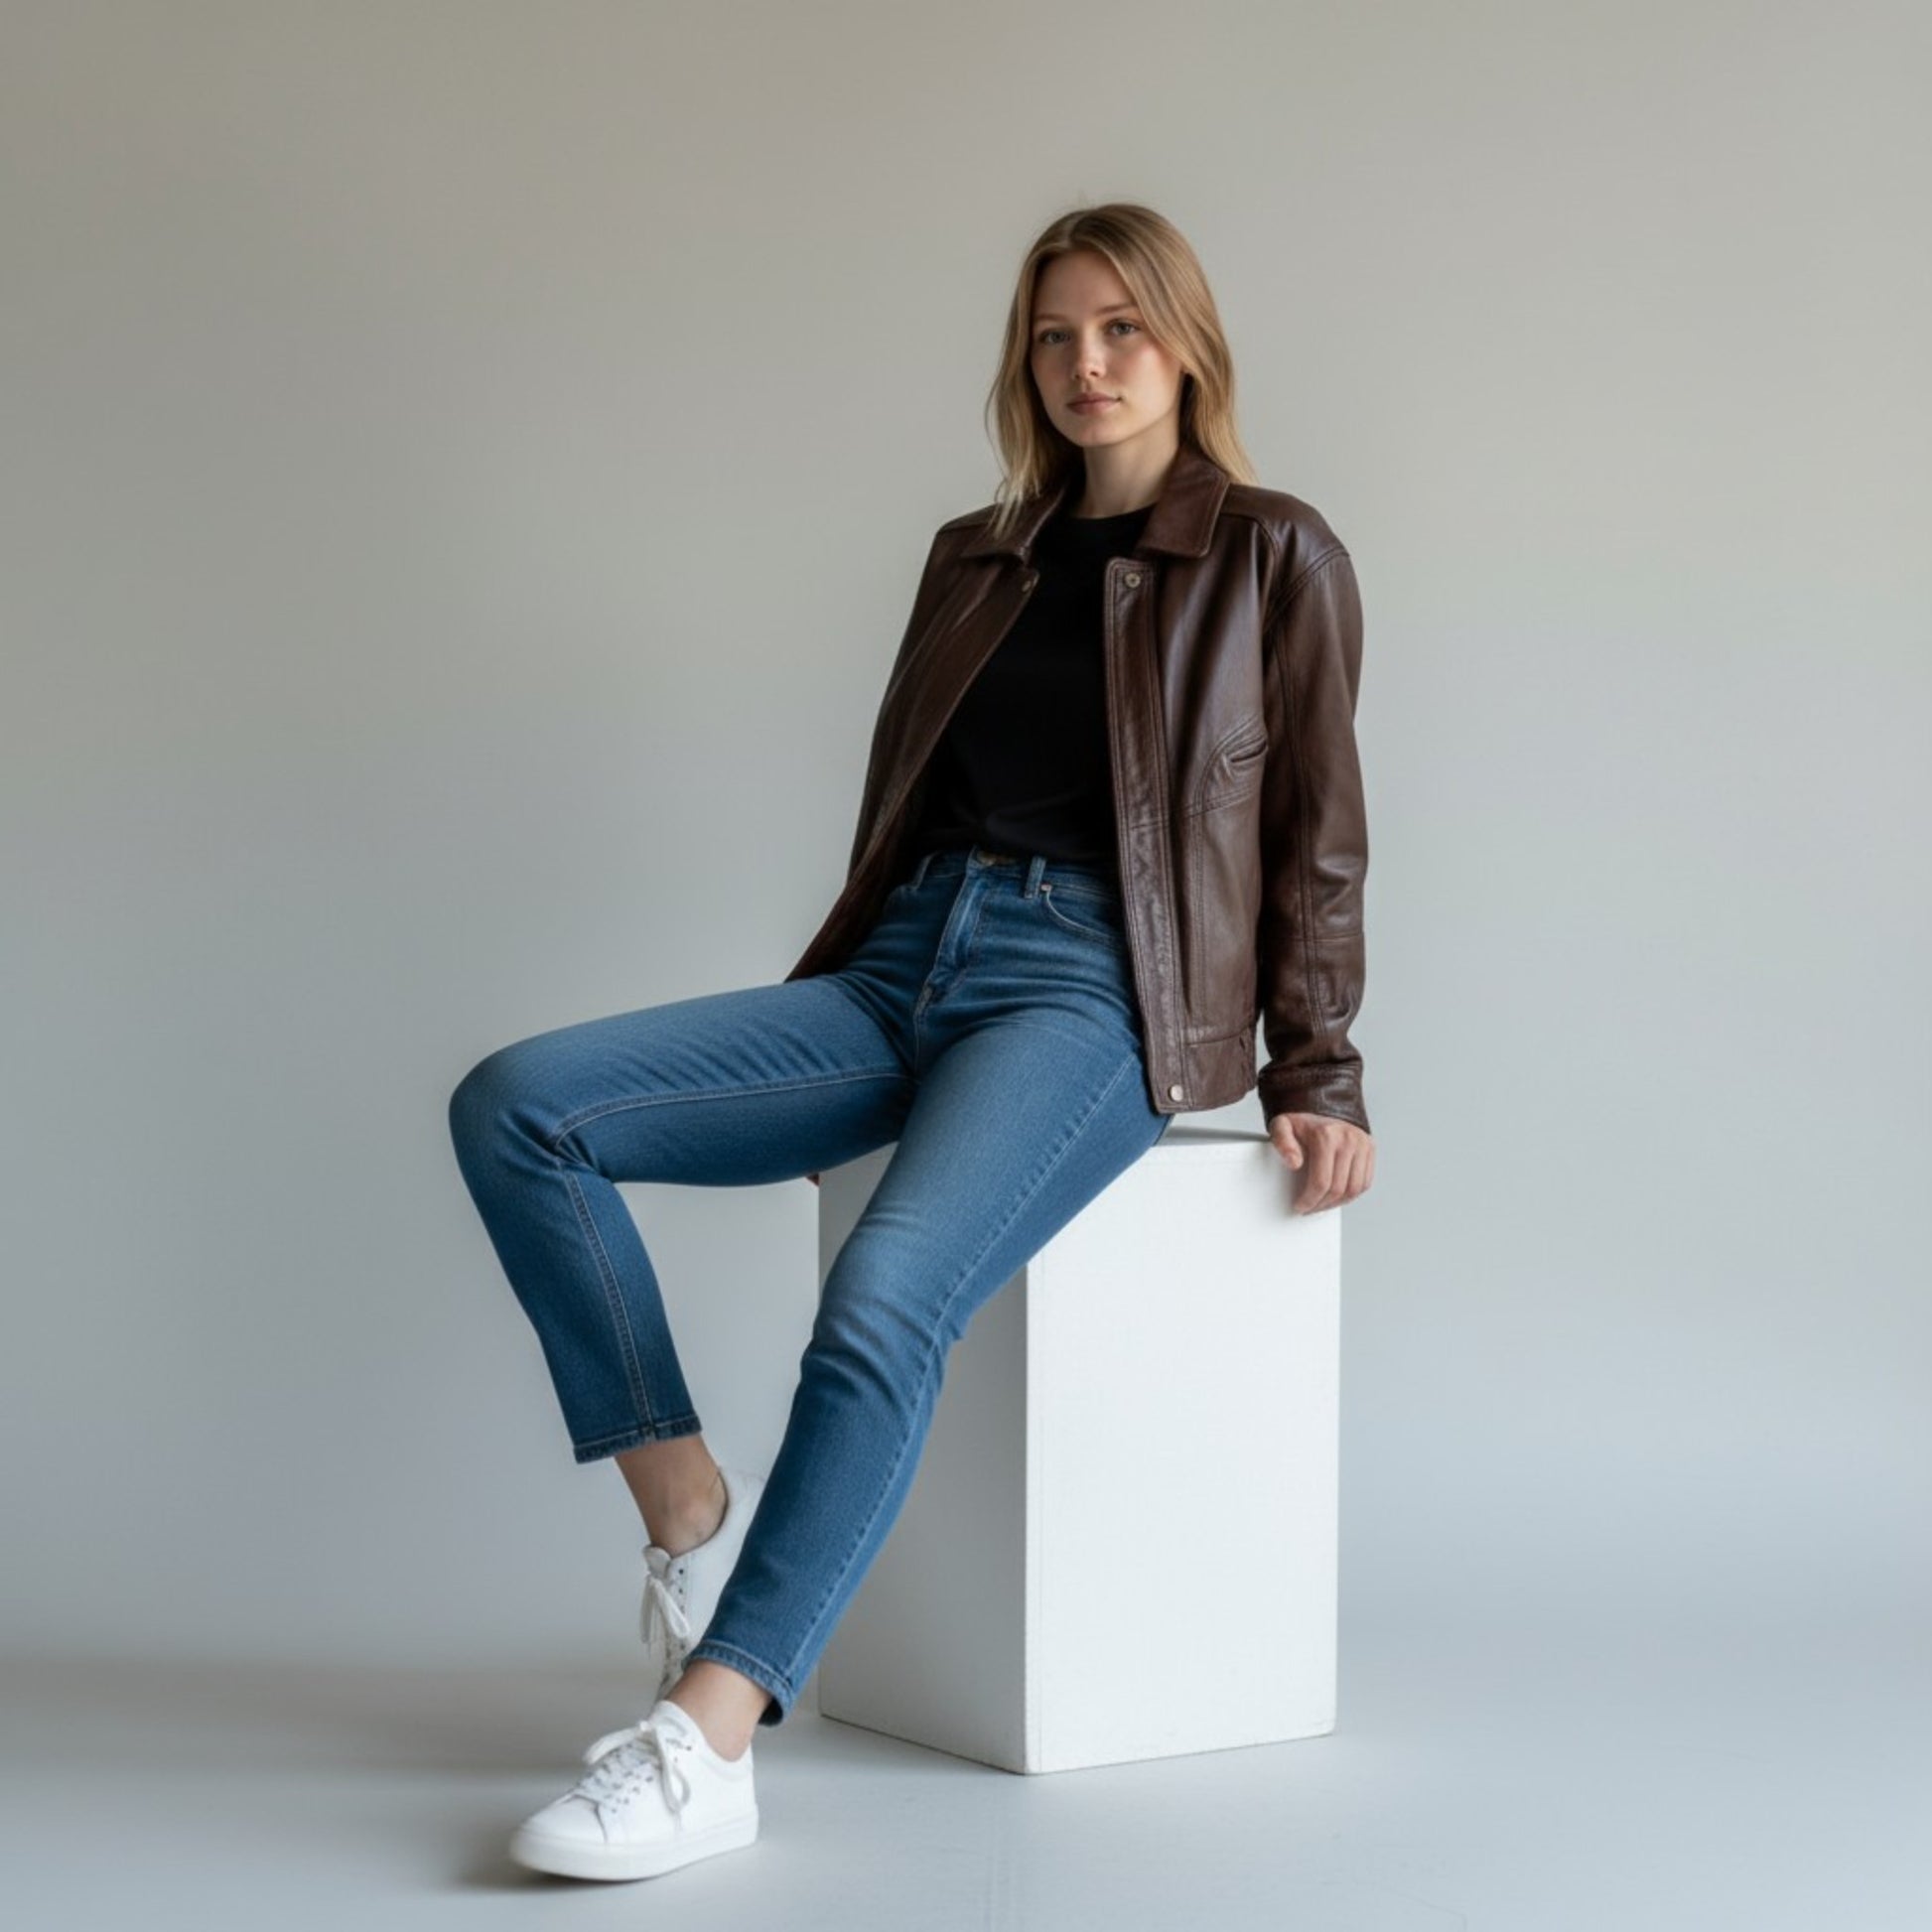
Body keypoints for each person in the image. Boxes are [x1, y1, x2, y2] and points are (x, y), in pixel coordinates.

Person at [446, 201, 1377, 1883]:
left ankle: (709, 1738)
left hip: (1090, 989)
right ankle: (681, 1505)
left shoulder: (1272, 552)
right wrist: (873, 967)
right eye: (1051, 333)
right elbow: (904, 807)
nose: (1085, 364)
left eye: (1120, 328)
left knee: (885, 1292)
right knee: (521, 1106)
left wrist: (1319, 1071)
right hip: (904, 962)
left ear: (1187, 344)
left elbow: (1313, 835)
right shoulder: (976, 551)